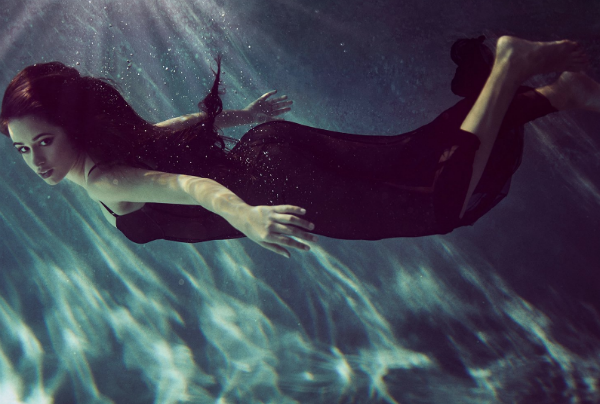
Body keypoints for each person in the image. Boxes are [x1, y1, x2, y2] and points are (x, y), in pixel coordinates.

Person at [1, 36, 597, 258]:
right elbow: (172, 129)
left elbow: (190, 186)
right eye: (23, 150)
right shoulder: (117, 152)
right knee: (414, 157)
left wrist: (249, 218)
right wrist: (248, 117)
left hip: (277, 185)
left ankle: (509, 66)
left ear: (71, 128)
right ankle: (560, 93)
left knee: (438, 204)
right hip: (270, 151)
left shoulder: (102, 180)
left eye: (44, 140)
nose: (37, 161)